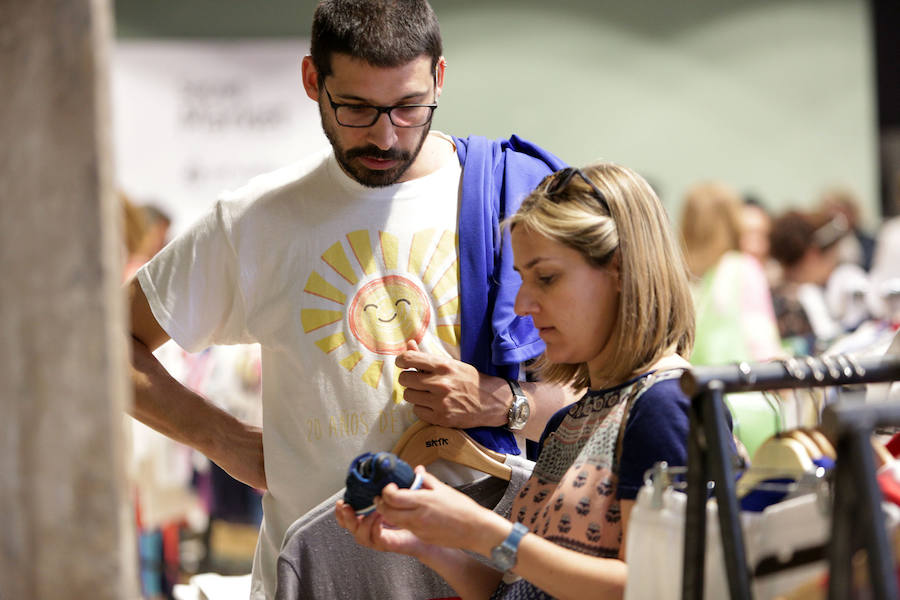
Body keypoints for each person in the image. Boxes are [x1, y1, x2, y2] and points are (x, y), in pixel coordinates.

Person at [126, 1, 577, 597]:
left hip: (488, 576)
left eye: (410, 106)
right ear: (313, 80)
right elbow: (104, 343)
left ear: (439, 78)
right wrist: (222, 439)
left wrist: (502, 402)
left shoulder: (515, 198)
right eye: (357, 108)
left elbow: (610, 393)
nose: (386, 136)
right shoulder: (254, 222)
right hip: (313, 578)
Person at [336, 162, 728, 599]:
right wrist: (428, 544)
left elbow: (657, 587)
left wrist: (484, 532)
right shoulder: (571, 421)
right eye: (522, 280)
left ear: (620, 270)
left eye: (547, 278)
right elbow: (522, 588)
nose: (523, 304)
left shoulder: (665, 406)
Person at [678, 181, 782, 366]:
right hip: (735, 385)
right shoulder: (741, 268)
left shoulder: (675, 276)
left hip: (689, 387)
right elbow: (762, 341)